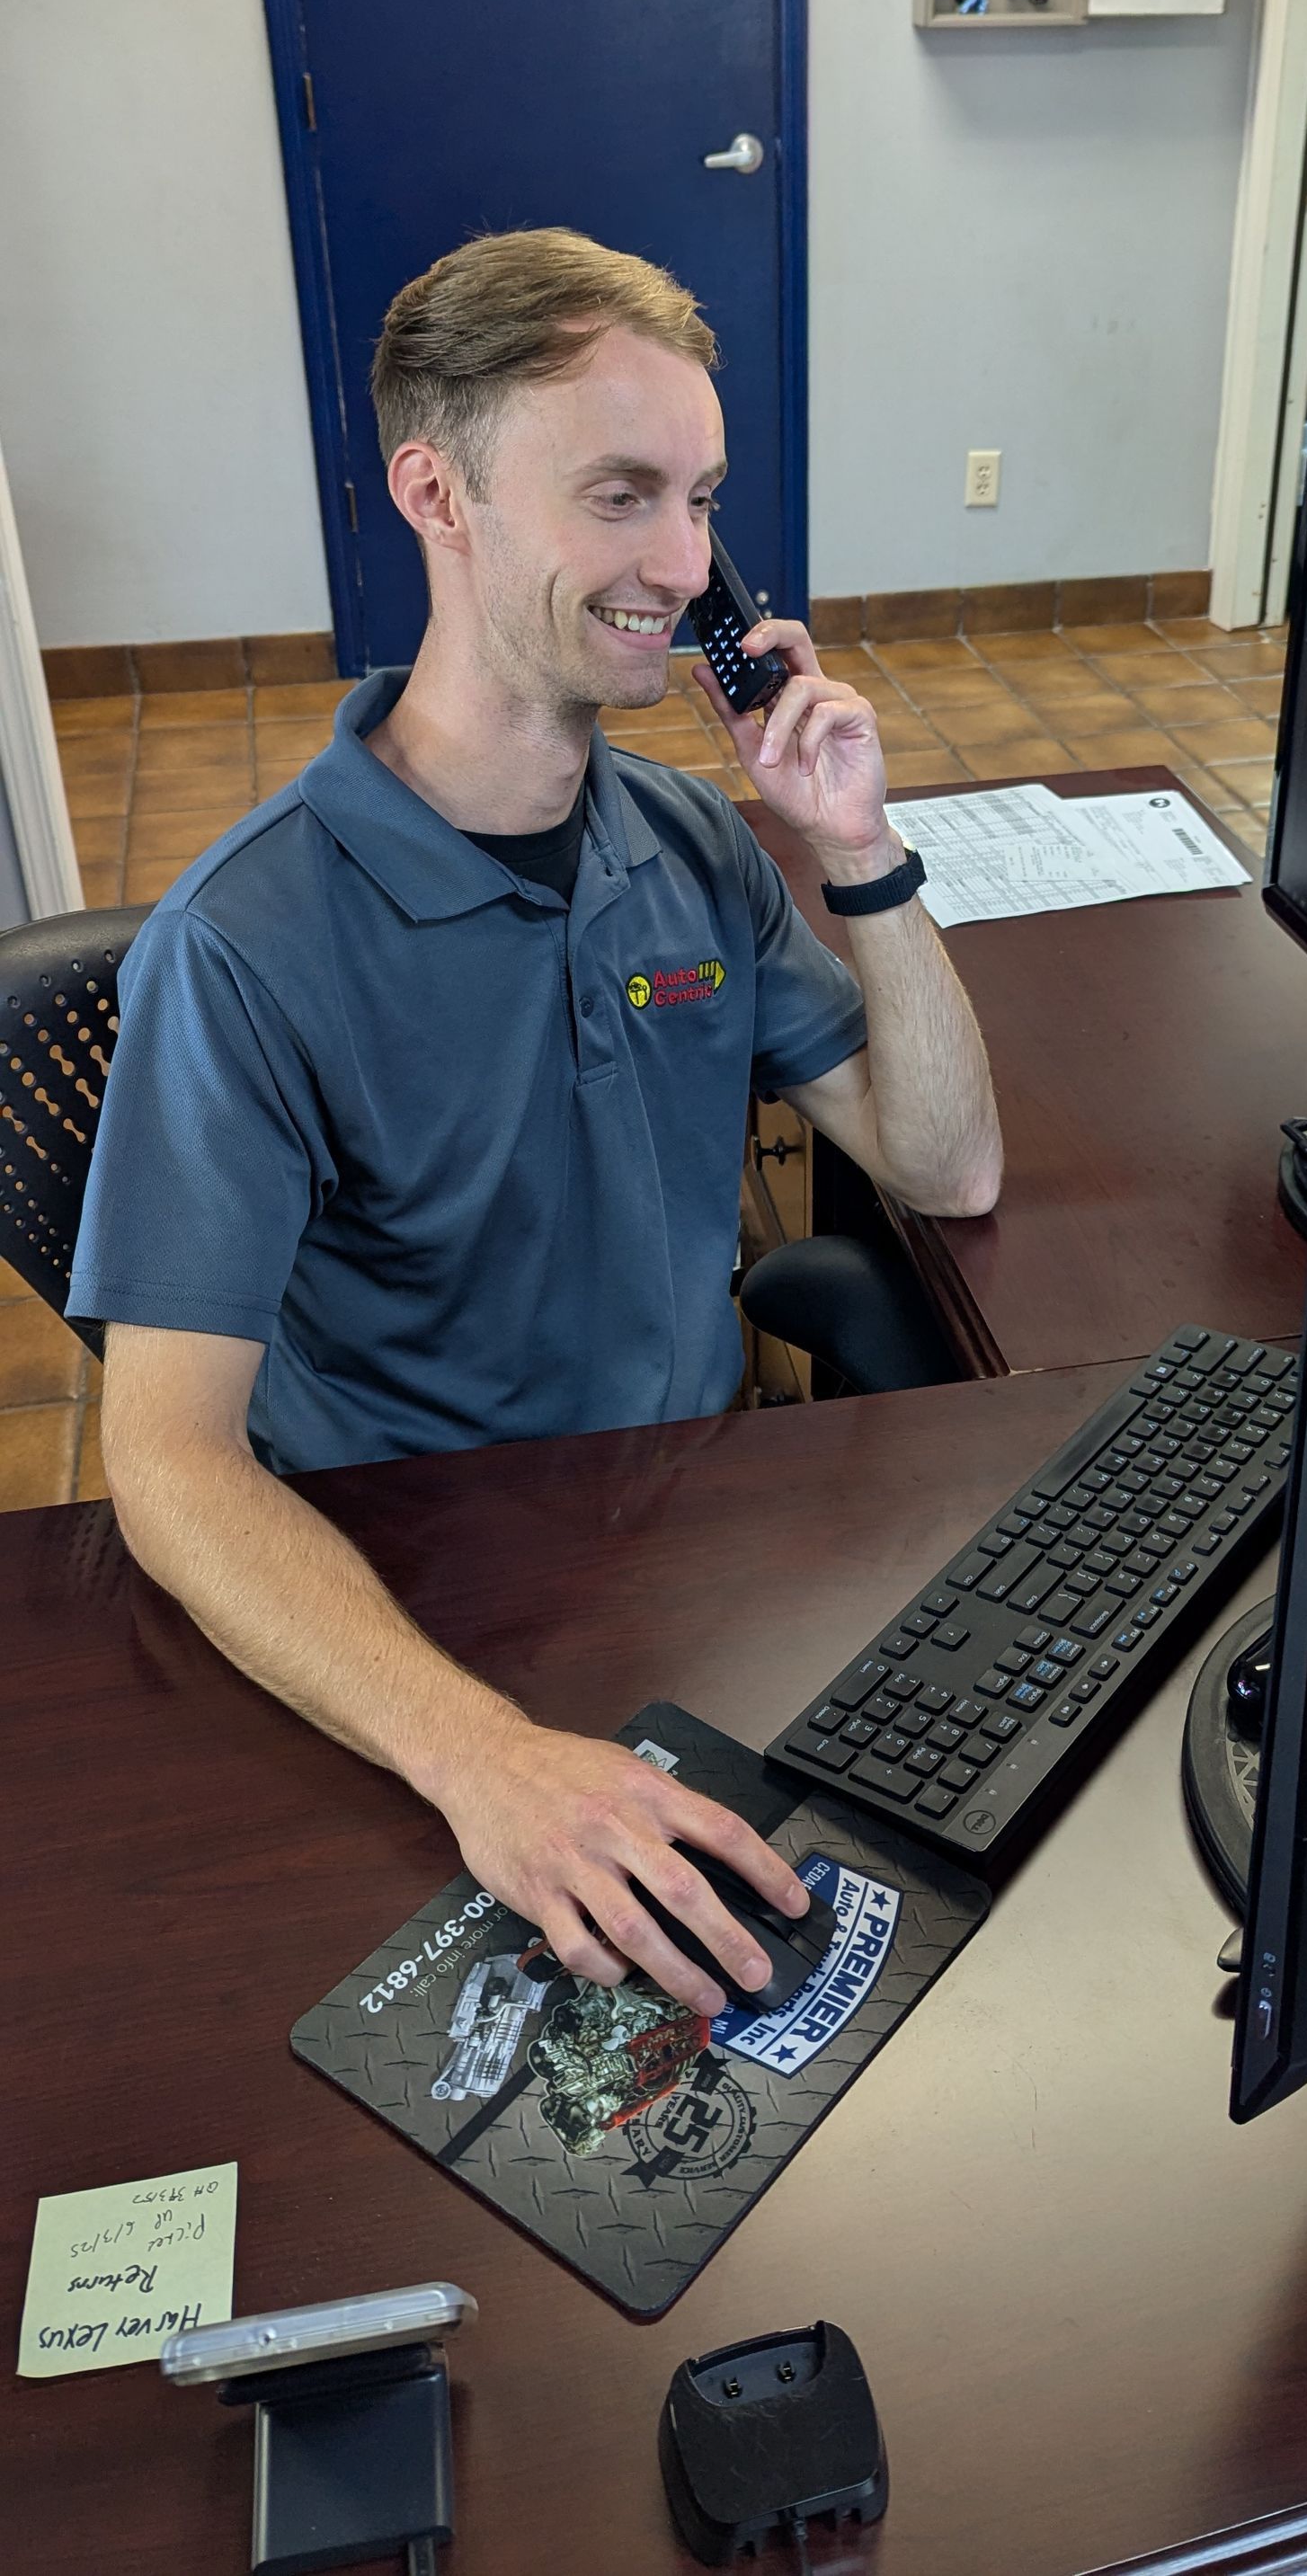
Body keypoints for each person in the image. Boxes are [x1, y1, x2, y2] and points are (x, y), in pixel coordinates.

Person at [74, 227, 1001, 2023]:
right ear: (439, 491)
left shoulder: (694, 849)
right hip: (426, 1615)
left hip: (698, 1565)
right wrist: (479, 1757)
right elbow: (171, 1466)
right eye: (621, 496)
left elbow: (946, 1159)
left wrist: (859, 854)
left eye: (704, 500)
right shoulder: (248, 946)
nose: (684, 565)